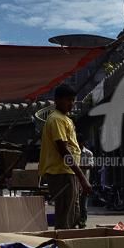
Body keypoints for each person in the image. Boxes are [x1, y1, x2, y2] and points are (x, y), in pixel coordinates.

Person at [39, 84, 91, 229]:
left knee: (72, 214)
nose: (71, 104)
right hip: (61, 173)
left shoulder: (66, 119)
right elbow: (64, 151)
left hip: (68, 173)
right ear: (57, 100)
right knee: (64, 217)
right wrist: (82, 178)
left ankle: (66, 245)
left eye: (73, 100)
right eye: (68, 100)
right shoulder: (56, 119)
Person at [76, 135, 94, 229]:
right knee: (75, 205)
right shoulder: (73, 152)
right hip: (75, 182)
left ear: (81, 143)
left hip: (84, 183)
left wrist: (76, 167)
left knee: (83, 205)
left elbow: (90, 166)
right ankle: (75, 221)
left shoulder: (88, 153)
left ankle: (82, 222)